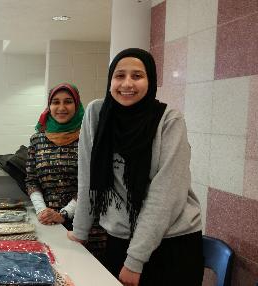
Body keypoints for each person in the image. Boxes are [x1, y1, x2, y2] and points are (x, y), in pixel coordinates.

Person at [67, 48, 203, 286]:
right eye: (119, 76)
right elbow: (88, 177)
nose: (127, 84)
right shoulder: (97, 114)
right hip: (120, 238)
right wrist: (80, 232)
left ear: (150, 80)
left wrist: (135, 260)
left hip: (171, 243)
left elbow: (166, 195)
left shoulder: (169, 120)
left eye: (137, 76)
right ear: (110, 80)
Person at [26, 82, 106, 259]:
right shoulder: (37, 139)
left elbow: (96, 181)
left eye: (68, 101)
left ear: (77, 105)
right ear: (49, 106)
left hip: (86, 227)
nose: (61, 107)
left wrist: (63, 214)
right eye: (55, 102)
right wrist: (41, 211)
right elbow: (32, 180)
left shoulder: (91, 136)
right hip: (49, 224)